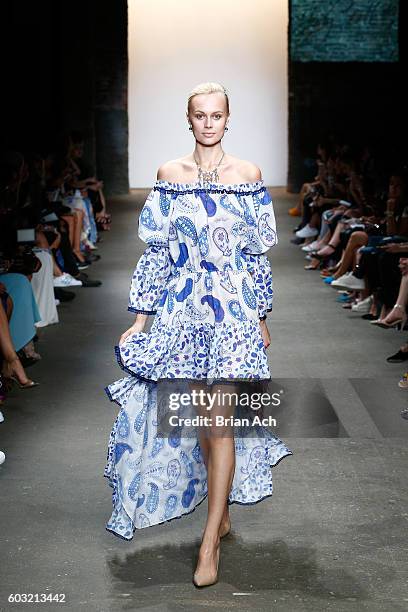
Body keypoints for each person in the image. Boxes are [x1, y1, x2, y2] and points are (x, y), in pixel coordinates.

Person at [104, 82, 292, 587]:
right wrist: (142, 319)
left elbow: (255, 256)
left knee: (221, 424)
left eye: (216, 115)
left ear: (228, 118)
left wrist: (260, 316)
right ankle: (221, 510)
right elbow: (159, 253)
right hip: (182, 313)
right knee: (203, 426)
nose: (208, 123)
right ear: (188, 120)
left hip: (230, 313)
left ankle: (209, 544)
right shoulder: (170, 175)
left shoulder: (248, 175)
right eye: (199, 115)